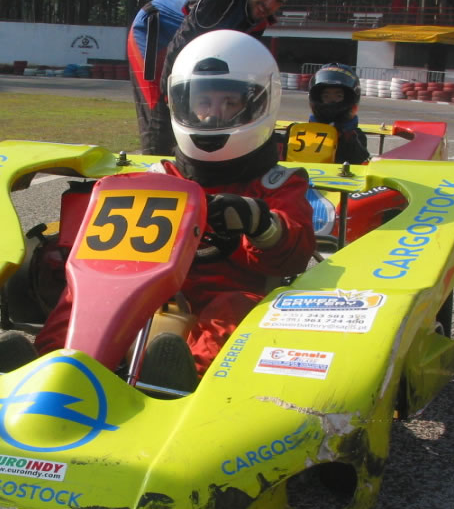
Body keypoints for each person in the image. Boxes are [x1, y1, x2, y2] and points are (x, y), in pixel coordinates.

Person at [31, 30, 316, 391]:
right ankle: (48, 373)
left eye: (229, 102)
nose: (214, 115)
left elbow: (293, 257)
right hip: (147, 295)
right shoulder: (157, 178)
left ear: (259, 103)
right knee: (83, 297)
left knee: (233, 311)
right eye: (204, 102)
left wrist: (258, 222)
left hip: (229, 296)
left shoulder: (277, 183)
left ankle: (175, 389)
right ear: (180, 102)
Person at [127, 0, 293, 156]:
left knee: (199, 106)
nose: (269, 3)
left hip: (185, 41)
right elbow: (181, 43)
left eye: (278, 1)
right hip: (155, 31)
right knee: (161, 109)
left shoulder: (261, 19)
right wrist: (169, 93)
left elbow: (242, 61)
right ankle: (156, 170)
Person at [307, 63, 370, 164]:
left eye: (338, 96)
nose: (332, 101)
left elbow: (360, 161)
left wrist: (345, 136)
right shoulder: (302, 133)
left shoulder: (356, 136)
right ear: (317, 98)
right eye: (326, 96)